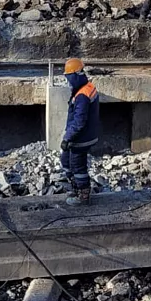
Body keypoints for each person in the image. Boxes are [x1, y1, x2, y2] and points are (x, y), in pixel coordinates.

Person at [60, 58, 100, 206]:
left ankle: (83, 196)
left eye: (68, 78)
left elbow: (79, 122)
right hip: (83, 135)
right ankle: (76, 187)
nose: (67, 82)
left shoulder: (82, 95)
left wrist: (67, 138)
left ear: (74, 76)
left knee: (78, 167)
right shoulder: (86, 87)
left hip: (81, 138)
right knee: (65, 160)